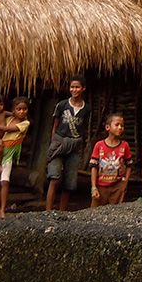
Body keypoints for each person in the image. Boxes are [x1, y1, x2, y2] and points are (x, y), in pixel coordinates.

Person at [46, 76, 90, 211]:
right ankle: (47, 212)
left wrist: (80, 147)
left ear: (83, 88)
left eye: (77, 87)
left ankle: (62, 211)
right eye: (72, 87)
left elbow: (83, 129)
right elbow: (55, 125)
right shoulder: (62, 105)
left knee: (69, 182)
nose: (74, 90)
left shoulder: (86, 109)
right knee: (54, 177)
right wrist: (54, 143)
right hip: (59, 143)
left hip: (74, 145)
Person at [0, 97, 29, 217]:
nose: (21, 112)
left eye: (24, 109)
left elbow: (6, 129)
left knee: (5, 181)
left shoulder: (25, 123)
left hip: (8, 155)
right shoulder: (8, 118)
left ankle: (3, 209)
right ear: (13, 110)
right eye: (19, 109)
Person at [89, 113, 132, 207]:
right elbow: (94, 167)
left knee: (116, 212)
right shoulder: (99, 145)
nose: (120, 127)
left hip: (117, 187)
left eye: (122, 125)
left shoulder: (125, 146)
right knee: (95, 213)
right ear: (108, 127)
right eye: (117, 125)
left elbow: (129, 165)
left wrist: (125, 182)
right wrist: (94, 187)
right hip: (101, 186)